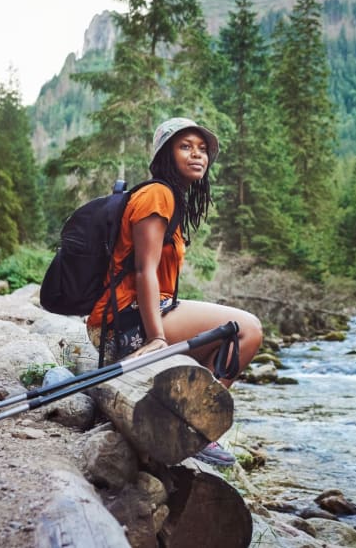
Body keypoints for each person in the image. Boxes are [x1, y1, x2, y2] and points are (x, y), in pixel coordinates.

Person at [86, 117, 263, 466]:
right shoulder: (158, 194)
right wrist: (156, 339)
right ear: (165, 155)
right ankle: (197, 425)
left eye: (202, 149)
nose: (198, 155)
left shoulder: (170, 197)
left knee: (232, 331)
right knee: (248, 330)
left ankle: (182, 421)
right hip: (126, 326)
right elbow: (143, 270)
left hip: (132, 318)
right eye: (185, 146)